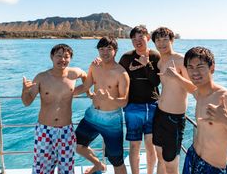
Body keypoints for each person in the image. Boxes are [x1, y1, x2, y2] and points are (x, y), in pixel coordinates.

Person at [182, 47, 227, 174]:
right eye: (190, 67)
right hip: (192, 157)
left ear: (212, 68)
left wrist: (226, 120)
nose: (195, 72)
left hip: (212, 168)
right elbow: (188, 86)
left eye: (200, 66)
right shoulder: (199, 94)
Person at [21, 43, 87, 174]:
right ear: (52, 57)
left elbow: (85, 76)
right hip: (45, 130)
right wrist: (24, 91)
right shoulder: (41, 77)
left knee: (67, 169)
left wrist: (85, 91)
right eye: (59, 56)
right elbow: (27, 102)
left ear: (70, 59)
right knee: (42, 169)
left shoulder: (73, 73)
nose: (62, 59)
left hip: (66, 130)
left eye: (66, 56)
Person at [75, 36, 130, 174]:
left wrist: (110, 98)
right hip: (92, 115)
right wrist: (66, 93)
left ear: (115, 51)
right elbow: (86, 86)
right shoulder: (94, 66)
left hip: (111, 120)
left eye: (109, 49)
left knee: (116, 160)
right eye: (101, 49)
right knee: (76, 145)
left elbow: (124, 102)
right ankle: (98, 165)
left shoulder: (122, 74)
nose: (105, 52)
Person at [151, 27, 197, 174]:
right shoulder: (160, 62)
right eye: (158, 40)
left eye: (165, 39)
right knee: (159, 155)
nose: (161, 43)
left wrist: (176, 76)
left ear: (172, 40)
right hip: (159, 113)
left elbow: (194, 90)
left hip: (174, 118)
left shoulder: (181, 60)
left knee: (171, 163)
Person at [119, 26, 160, 174]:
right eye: (134, 39)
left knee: (150, 145)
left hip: (152, 105)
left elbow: (156, 82)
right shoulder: (126, 58)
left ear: (148, 38)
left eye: (141, 38)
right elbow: (116, 75)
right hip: (132, 107)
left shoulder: (155, 56)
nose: (138, 42)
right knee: (134, 146)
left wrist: (147, 64)